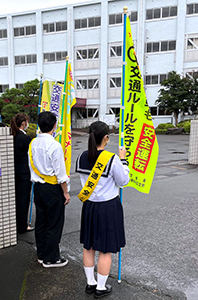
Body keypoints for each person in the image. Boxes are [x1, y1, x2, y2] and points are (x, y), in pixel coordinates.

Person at [75, 121, 129, 298]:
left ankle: (90, 283)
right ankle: (101, 287)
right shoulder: (112, 159)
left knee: (88, 246)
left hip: (89, 207)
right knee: (105, 249)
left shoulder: (82, 156)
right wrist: (123, 160)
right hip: (107, 208)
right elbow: (123, 181)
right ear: (106, 138)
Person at [28, 111, 70, 268]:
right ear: (54, 125)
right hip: (53, 189)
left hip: (38, 187)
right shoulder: (54, 145)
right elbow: (61, 174)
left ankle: (41, 254)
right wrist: (65, 192)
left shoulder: (33, 143)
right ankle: (51, 259)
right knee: (54, 223)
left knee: (41, 221)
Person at [10, 113, 33, 234]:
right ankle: (22, 226)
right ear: (23, 123)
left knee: (16, 199)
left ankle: (17, 224)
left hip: (14, 172)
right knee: (24, 200)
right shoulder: (25, 138)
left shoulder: (12, 136)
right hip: (24, 173)